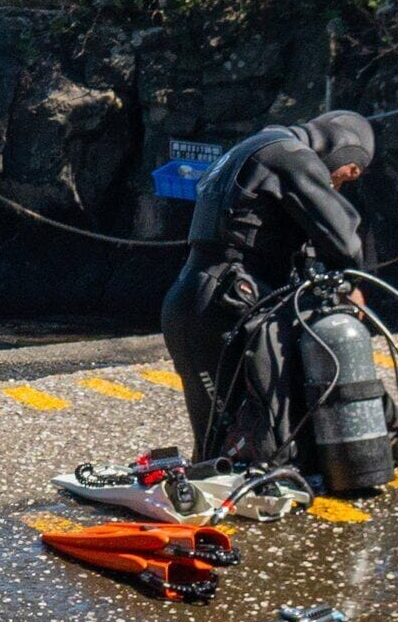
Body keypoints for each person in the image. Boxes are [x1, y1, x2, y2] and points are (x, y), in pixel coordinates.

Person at [159, 109, 377, 465]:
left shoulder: (249, 149)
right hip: (222, 305)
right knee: (245, 443)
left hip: (189, 298)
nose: (340, 184)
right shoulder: (290, 155)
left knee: (217, 443)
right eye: (350, 176)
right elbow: (341, 235)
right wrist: (354, 281)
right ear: (349, 158)